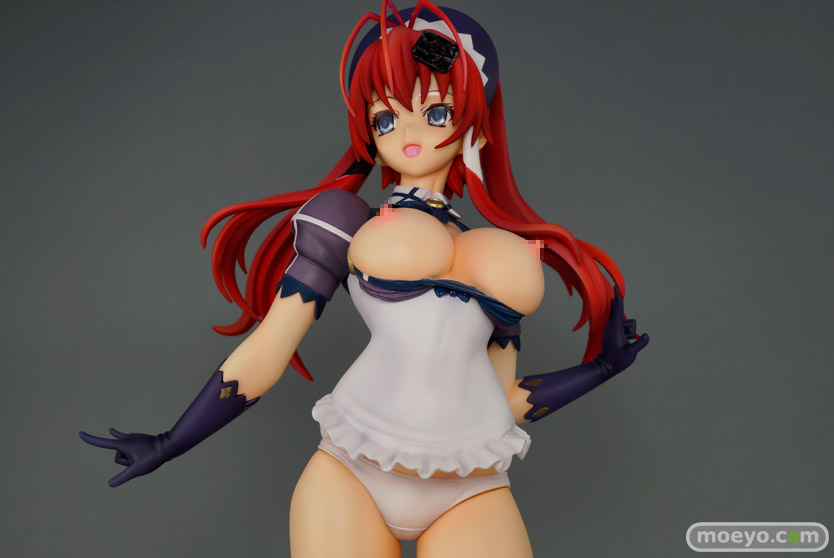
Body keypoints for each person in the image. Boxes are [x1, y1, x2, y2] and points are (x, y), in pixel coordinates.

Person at [80, 3, 648, 556]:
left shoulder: (504, 252)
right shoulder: (347, 220)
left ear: (472, 116)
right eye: (386, 118)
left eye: (436, 113)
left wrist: (597, 370)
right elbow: (270, 347)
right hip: (353, 472)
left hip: (472, 486)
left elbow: (501, 400)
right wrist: (170, 441)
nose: (408, 133)